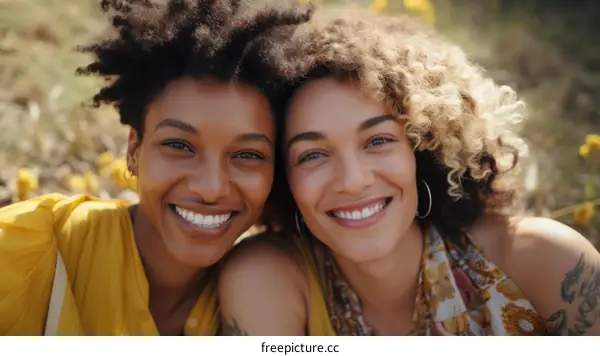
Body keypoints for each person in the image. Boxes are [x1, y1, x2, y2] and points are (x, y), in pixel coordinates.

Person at [218, 10, 600, 336]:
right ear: (284, 181)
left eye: (378, 141)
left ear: (422, 148)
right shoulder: (268, 280)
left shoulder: (547, 263)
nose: (352, 180)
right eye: (313, 155)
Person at [0, 0, 313, 335]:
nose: (210, 187)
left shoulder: (275, 298)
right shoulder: (28, 251)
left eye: (248, 155)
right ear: (134, 150)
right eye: (179, 146)